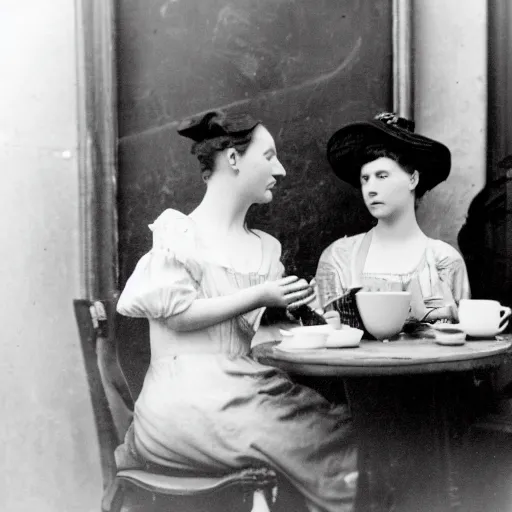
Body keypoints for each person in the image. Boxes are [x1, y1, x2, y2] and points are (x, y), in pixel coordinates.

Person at [115, 110, 356, 512]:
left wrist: (301, 312)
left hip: (241, 389)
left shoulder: (264, 248)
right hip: (184, 404)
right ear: (232, 159)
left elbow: (253, 334)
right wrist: (261, 295)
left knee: (341, 428)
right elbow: (177, 316)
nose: (279, 169)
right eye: (269, 156)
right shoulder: (180, 233)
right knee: (325, 442)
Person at [316, 112, 470, 331]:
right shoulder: (340, 258)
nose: (370, 189)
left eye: (382, 176)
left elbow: (462, 338)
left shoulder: (445, 261)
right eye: (365, 179)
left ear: (413, 179)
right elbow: (322, 335)